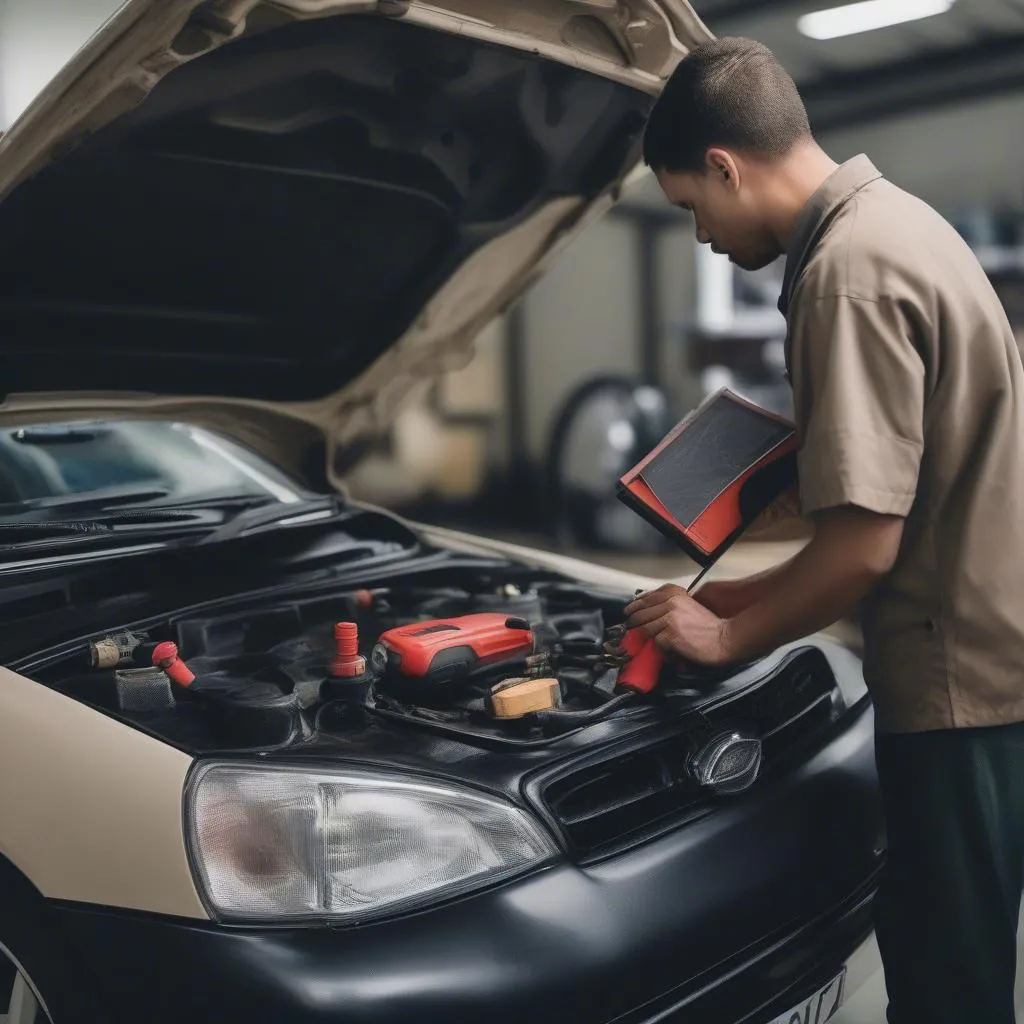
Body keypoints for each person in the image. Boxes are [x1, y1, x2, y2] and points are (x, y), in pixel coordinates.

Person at [625, 36, 1024, 1024]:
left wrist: (722, 638)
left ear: (724, 164)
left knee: (946, 984)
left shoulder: (841, 276)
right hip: (994, 653)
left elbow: (863, 547)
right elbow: (909, 501)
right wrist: (749, 593)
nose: (702, 235)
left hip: (956, 691)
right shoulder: (905, 227)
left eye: (690, 208)